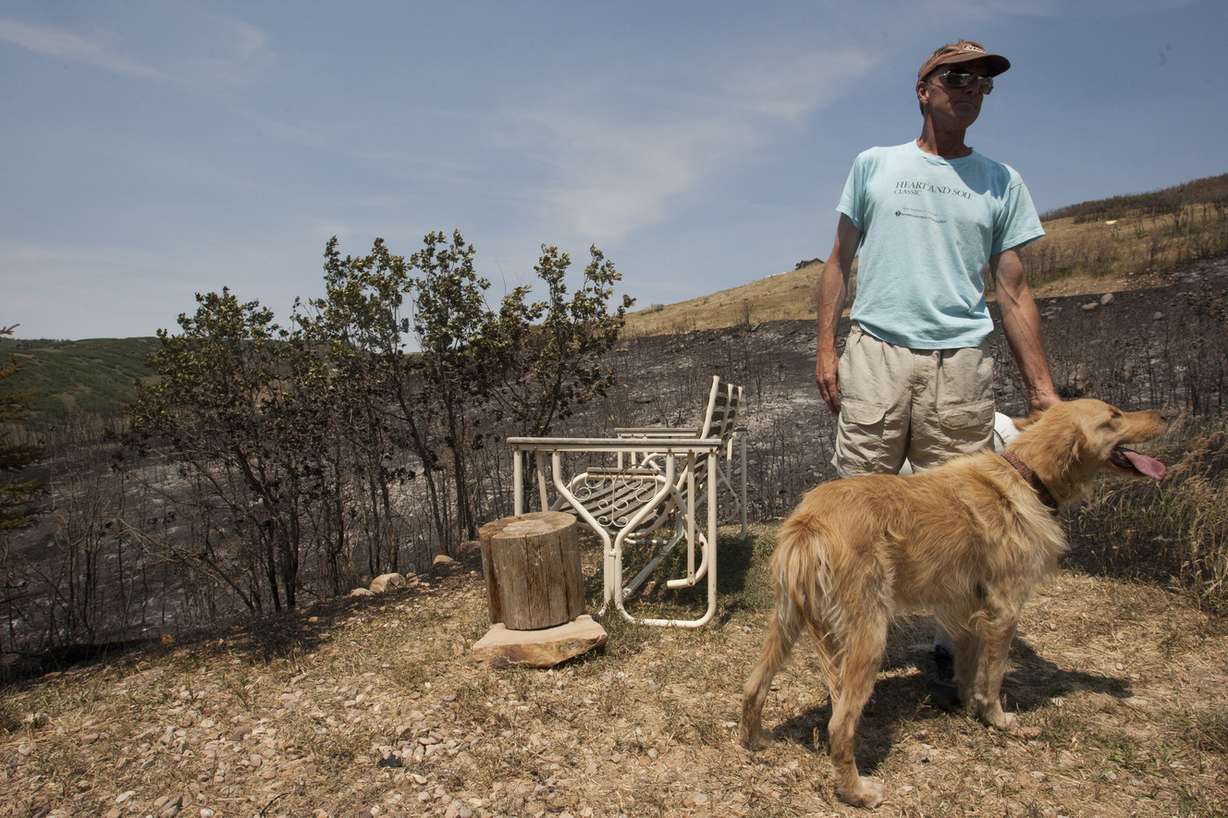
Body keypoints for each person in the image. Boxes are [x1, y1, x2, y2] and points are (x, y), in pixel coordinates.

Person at [813, 39, 1061, 699]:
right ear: (924, 89)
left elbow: (1011, 291)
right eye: (957, 77)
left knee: (963, 515)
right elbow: (838, 261)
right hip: (877, 355)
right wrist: (826, 347)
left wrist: (1043, 392)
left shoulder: (1001, 182)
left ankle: (953, 652)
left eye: (983, 82)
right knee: (856, 503)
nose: (970, 88)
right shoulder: (875, 165)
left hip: (960, 365)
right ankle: (845, 644)